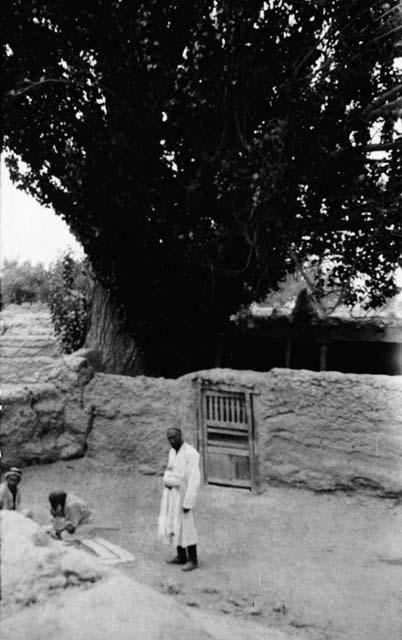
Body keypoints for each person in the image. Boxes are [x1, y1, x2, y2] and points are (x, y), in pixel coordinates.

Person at [158, 427, 201, 571]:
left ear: (180, 436)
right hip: (172, 493)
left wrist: (188, 502)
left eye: (174, 437)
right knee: (173, 523)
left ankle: (193, 560)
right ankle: (181, 556)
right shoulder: (172, 452)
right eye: (169, 438)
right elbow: (170, 470)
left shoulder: (191, 453)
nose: (171, 441)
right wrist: (168, 480)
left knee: (187, 526)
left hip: (183, 494)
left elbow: (194, 479)